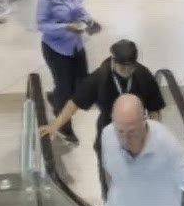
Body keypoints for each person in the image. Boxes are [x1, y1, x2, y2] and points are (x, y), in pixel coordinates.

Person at [39, 39, 168, 157]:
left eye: (131, 67)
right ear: (113, 61)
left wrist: (153, 133)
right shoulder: (100, 76)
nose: (127, 72)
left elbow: (154, 108)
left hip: (136, 129)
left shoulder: (143, 74)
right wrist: (55, 125)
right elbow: (75, 102)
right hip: (109, 127)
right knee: (107, 161)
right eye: (123, 67)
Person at [36, 0, 99, 145]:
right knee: (65, 88)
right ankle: (64, 125)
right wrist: (65, 27)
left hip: (76, 45)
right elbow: (41, 25)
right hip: (56, 49)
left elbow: (79, 9)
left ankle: (55, 97)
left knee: (81, 83)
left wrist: (89, 20)